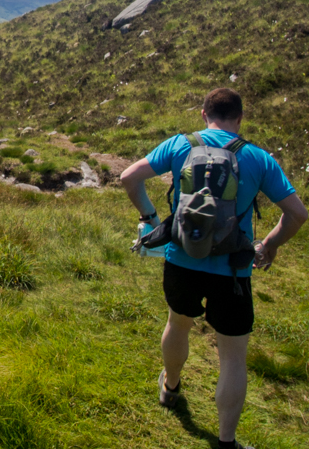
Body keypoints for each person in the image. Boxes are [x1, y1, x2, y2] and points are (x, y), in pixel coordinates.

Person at [120, 88, 307, 449]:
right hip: (233, 271)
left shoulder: (179, 145)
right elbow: (298, 214)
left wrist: (149, 218)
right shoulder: (257, 157)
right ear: (240, 118)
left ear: (204, 114)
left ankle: (171, 387)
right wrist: (268, 246)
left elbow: (129, 177)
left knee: (178, 323)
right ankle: (226, 441)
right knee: (233, 356)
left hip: (181, 259)